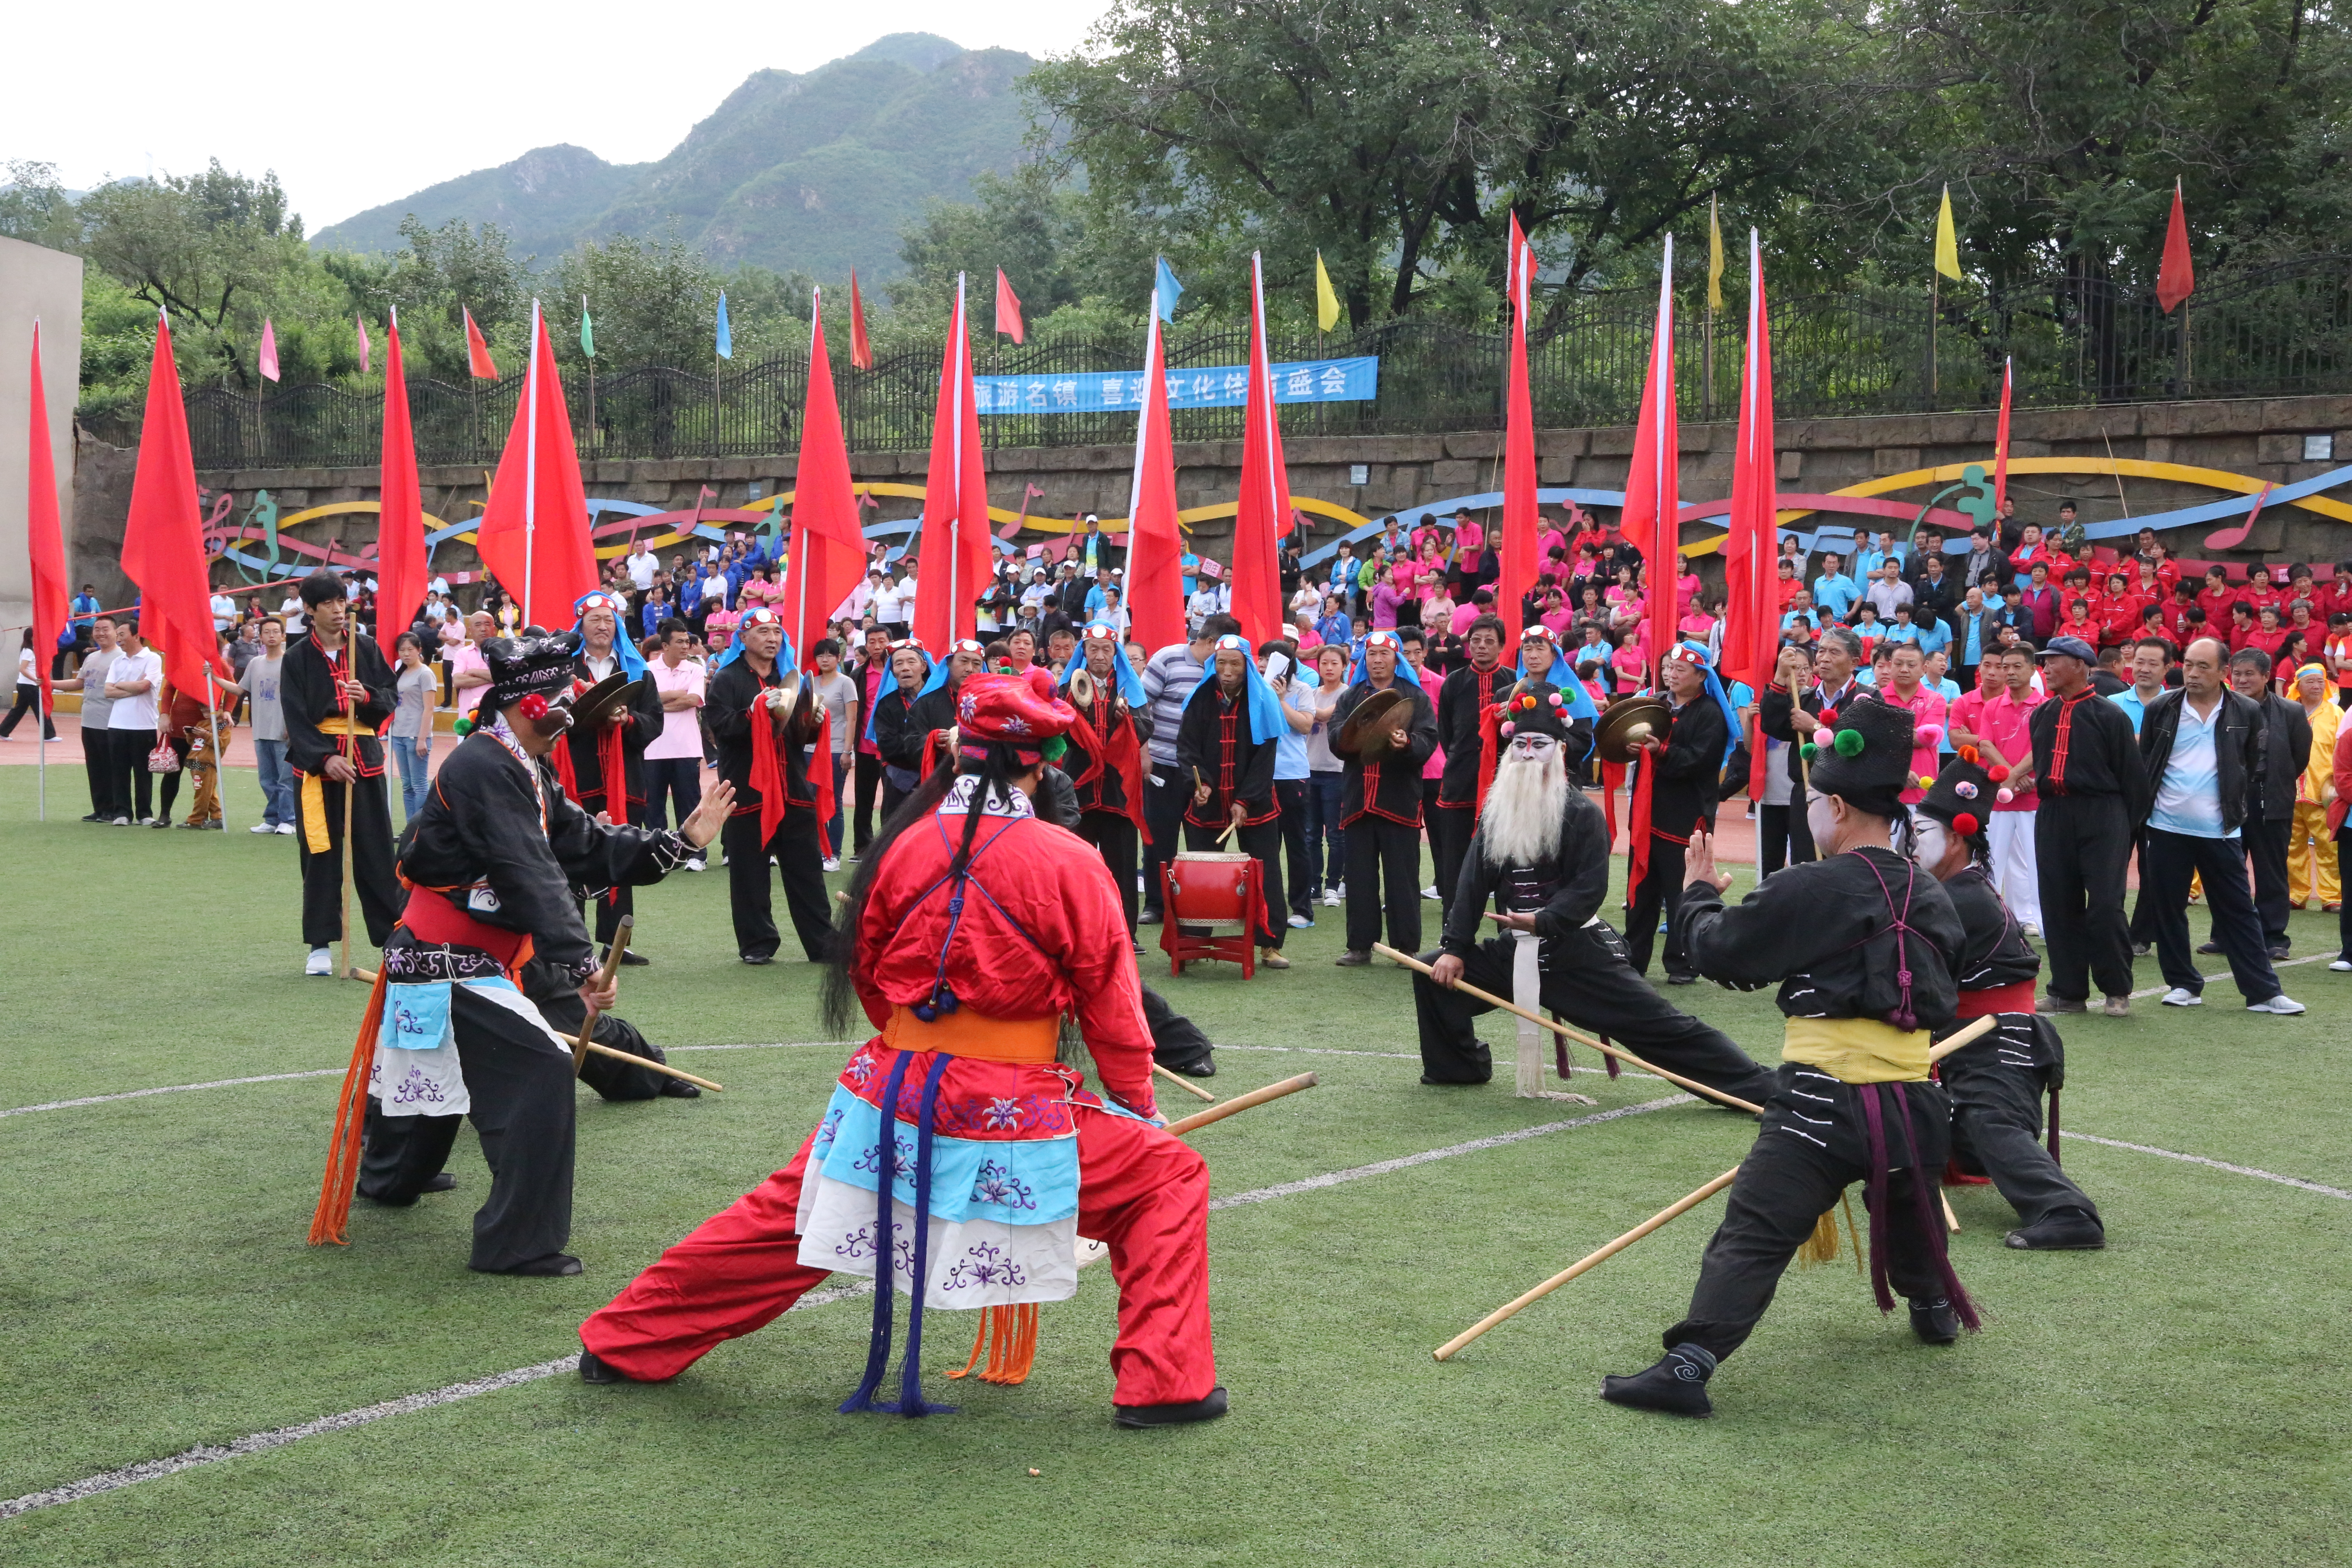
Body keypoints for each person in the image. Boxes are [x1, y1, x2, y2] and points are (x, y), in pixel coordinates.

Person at [577, 669, 1228, 1428]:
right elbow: (1114, 1009)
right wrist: (1136, 1111)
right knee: (1168, 1177)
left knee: (791, 1216)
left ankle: (627, 1337)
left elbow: (870, 976)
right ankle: (1165, 1387)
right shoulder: (1069, 860)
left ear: (958, 758)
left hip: (894, 1084)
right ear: (1040, 766)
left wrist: (924, 1041)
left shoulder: (900, 849)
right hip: (1006, 1098)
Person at [1602, 694, 1975, 1418]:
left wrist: (1701, 896)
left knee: (1756, 1231)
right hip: (1915, 1106)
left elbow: (1724, 956)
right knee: (1912, 1214)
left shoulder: (1814, 884)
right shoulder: (1932, 894)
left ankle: (1689, 1367)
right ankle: (1934, 1306)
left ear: (1835, 806)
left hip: (1820, 1102)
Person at [340, 635, 729, 1272]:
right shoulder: (484, 766)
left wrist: (679, 840)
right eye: (562, 706)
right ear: (527, 707)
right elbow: (529, 870)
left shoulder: (524, 766)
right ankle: (515, 1245)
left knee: (434, 1080)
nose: (571, 720)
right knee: (541, 1073)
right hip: (446, 959)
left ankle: (389, 1178)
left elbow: (582, 843)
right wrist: (582, 964)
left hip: (466, 958)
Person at [1414, 682, 1775, 1104]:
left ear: (1561, 751)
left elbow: (1590, 888)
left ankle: (1760, 1089)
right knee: (1434, 975)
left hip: (1577, 952)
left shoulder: (1582, 813)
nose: (1529, 754)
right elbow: (1472, 885)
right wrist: (1456, 948)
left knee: (1664, 1027)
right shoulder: (1497, 814)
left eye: (1540, 745)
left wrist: (1543, 920)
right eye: (1522, 745)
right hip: (1516, 951)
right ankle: (1458, 1067)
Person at [1911, 754, 2107, 1250]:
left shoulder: (1961, 899)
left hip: (1998, 1041)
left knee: (1987, 1120)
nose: (1910, 846)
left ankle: (2069, 1213)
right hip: (1964, 1039)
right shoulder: (1953, 889)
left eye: (1920, 834)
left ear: (1956, 839)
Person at [2137, 637, 2304, 1013]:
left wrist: (2234, 807)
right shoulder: (2163, 707)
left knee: (2238, 912)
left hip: (2221, 829)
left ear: (2223, 673)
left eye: (2203, 667)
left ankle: (2264, 993)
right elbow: (2148, 758)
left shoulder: (2246, 710)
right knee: (2168, 909)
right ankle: (2183, 984)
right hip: (2165, 827)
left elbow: (2250, 762)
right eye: (2189, 665)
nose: (2192, 673)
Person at [284, 574, 401, 976]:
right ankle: (320, 945)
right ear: (310, 610)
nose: (338, 610)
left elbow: (390, 696)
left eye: (342, 601)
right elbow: (296, 720)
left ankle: (393, 942)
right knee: (320, 853)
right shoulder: (296, 657)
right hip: (317, 770)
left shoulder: (364, 647)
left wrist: (366, 697)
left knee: (377, 852)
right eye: (329, 603)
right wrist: (322, 758)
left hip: (364, 762)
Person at [2026, 636, 2148, 1015]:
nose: (2044, 669)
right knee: (2058, 902)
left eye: (2053, 661)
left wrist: (2123, 830)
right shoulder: (2041, 715)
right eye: (2043, 661)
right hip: (2053, 815)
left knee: (2106, 905)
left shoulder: (2110, 716)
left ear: (2080, 665)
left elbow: (2134, 781)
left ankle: (2117, 990)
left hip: (2103, 813)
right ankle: (2067, 990)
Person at [712, 608, 834, 966]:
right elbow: (722, 729)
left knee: (807, 870)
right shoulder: (727, 678)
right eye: (763, 632)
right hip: (747, 789)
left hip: (793, 786)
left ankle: (823, 942)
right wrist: (752, 713)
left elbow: (799, 736)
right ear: (744, 638)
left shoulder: (789, 677)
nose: (772, 639)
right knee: (749, 871)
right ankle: (757, 943)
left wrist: (814, 722)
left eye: (777, 632)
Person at [1175, 634, 1290, 969]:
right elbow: (1188, 749)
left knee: (1264, 872)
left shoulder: (1263, 699)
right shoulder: (1199, 700)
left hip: (1255, 804)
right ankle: (1196, 942)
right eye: (1221, 663)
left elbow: (1265, 758)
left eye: (1235, 664)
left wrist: (1246, 799)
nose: (1227, 671)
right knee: (1201, 875)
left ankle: (1270, 944)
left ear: (1247, 666)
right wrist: (1202, 784)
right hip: (1208, 802)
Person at [563, 592, 665, 965]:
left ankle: (615, 945)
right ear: (581, 626)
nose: (603, 626)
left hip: (627, 778)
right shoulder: (566, 668)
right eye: (595, 620)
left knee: (621, 855)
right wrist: (585, 715)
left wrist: (629, 721)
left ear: (617, 625)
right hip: (576, 776)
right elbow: (551, 718)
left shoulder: (638, 670)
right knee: (570, 855)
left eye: (609, 620)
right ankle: (570, 941)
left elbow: (655, 723)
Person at [1623, 644, 1733, 983]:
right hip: (1647, 814)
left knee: (1681, 892)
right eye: (1669, 668)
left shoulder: (1710, 713)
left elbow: (1701, 761)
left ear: (1702, 676)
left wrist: (1662, 751)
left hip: (1686, 816)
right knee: (1641, 891)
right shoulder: (1654, 703)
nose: (1671, 674)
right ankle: (1633, 959)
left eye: (1680, 670)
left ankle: (1682, 964)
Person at [1331, 630, 1439, 966]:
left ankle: (1406, 948)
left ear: (1397, 659)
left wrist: (1406, 743)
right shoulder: (1352, 697)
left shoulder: (1415, 698)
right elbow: (1336, 738)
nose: (1377, 660)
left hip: (1399, 800)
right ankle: (1360, 946)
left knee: (1402, 878)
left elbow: (1428, 742)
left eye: (1384, 654)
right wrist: (1353, 737)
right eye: (1372, 654)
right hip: (1359, 800)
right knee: (1360, 877)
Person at [1061, 625, 1155, 939]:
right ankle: (1079, 933)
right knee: (1077, 867)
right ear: (1083, 652)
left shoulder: (1130, 687)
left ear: (1115, 654)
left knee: (1123, 868)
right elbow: (1058, 734)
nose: (1100, 656)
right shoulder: (1068, 689)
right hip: (1078, 790)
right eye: (1093, 649)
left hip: (1119, 790)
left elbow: (1144, 729)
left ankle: (1125, 934)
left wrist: (1123, 721)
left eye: (1106, 650)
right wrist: (1081, 714)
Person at [1140, 617, 1229, 924]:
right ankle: (1157, 904)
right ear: (1209, 643)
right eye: (1222, 650)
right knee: (1159, 838)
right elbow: (1141, 707)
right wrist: (1143, 753)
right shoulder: (1168, 658)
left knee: (1202, 841)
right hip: (1163, 764)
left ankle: (1197, 905)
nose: (1227, 660)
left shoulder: (1224, 671)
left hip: (1203, 773)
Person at [1430, 615, 1520, 922]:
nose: (1482, 647)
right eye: (1477, 641)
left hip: (1504, 784)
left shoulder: (1514, 682)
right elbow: (1445, 732)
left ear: (1502, 646)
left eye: (1490, 641)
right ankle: (1453, 935)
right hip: (1460, 782)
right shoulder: (1454, 682)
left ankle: (1509, 938)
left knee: (1508, 864)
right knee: (1455, 865)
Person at [2225, 647, 2310, 962]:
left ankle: (2274, 937)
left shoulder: (2290, 711)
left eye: (2250, 674)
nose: (2243, 680)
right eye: (2237, 674)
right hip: (2229, 800)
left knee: (2271, 871)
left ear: (2266, 676)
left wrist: (2273, 781)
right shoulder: (2222, 708)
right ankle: (2225, 935)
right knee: (2227, 870)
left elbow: (2300, 757)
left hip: (2270, 798)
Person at [1952, 645, 2044, 934]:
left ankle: (2045, 925)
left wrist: (2014, 776)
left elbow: (2044, 747)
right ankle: (1989, 925)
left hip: (2033, 799)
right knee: (1990, 862)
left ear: (2032, 670)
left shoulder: (2045, 706)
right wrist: (2015, 776)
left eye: (2017, 667)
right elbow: (1986, 745)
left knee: (2038, 864)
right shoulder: (1992, 707)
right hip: (1999, 799)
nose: (2010, 673)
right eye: (2006, 667)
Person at [642, 619, 708, 867]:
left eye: (687, 642)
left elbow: (692, 700)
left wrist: (657, 704)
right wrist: (675, 696)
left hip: (686, 747)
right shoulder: (647, 669)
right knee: (653, 805)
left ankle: (695, 855)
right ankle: (661, 855)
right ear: (666, 645)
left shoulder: (695, 669)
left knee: (689, 803)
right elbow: (646, 702)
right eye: (680, 642)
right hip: (652, 748)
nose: (686, 646)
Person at [52, 616, 120, 822]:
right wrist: (49, 683)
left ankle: (114, 809)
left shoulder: (121, 658)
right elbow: (79, 683)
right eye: (97, 629)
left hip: (110, 721)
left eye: (105, 629)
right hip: (89, 720)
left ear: (116, 632)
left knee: (111, 768)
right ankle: (99, 808)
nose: (100, 633)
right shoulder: (92, 657)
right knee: (95, 767)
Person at [2287, 663, 2341, 913]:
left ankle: (2332, 896)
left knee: (2329, 846)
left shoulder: (2336, 714)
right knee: (2292, 847)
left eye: (2321, 682)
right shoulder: (2289, 713)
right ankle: (2296, 894)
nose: (2317, 686)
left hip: (2325, 793)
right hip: (2290, 793)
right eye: (2311, 682)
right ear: (2299, 686)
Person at [101, 621, 166, 826]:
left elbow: (145, 686)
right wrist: (130, 687)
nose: (118, 638)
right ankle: (122, 812)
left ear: (136, 636)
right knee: (119, 770)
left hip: (144, 725)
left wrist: (119, 685)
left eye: (122, 634)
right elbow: (107, 691)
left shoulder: (152, 659)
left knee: (143, 772)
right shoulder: (118, 662)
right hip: (117, 724)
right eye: (118, 634)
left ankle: (144, 813)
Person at [808, 639, 859, 871]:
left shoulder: (846, 683)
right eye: (821, 655)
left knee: (834, 802)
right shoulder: (810, 682)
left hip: (836, 749)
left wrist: (848, 751)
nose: (825, 659)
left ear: (839, 658)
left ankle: (833, 854)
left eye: (830, 655)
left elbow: (852, 719)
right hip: (809, 750)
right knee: (809, 801)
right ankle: (815, 850)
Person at [388, 632, 437, 825]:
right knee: (407, 785)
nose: (406, 654)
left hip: (416, 735)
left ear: (419, 650)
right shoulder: (401, 673)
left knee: (419, 785)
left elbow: (429, 708)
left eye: (410, 649)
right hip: (399, 734)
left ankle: (421, 828)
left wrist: (422, 739)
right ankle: (410, 827)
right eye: (402, 650)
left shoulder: (425, 674)